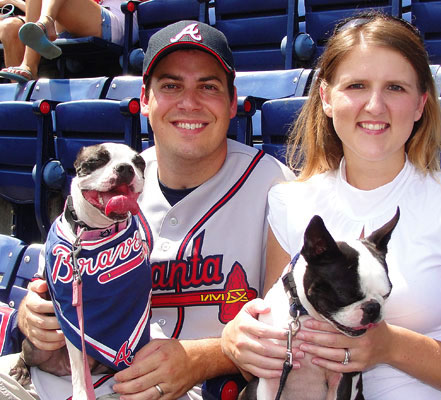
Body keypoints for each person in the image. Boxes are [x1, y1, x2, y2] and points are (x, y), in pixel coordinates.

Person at [221, 11, 441, 399]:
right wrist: (239, 342)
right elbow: (280, 332)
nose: (375, 106)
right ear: (326, 98)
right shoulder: (289, 201)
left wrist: (391, 347)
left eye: (395, 88)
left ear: (420, 104)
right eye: (357, 85)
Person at [0, 20, 293, 399]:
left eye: (208, 86)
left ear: (233, 101)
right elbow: (51, 288)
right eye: (171, 86)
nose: (189, 102)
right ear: (145, 99)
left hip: (201, 388)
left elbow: (288, 330)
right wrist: (32, 316)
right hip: (80, 377)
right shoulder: (106, 182)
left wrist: (204, 357)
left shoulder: (277, 188)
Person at [0, 0, 136, 82]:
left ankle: (29, 65)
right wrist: (16, 3)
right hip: (73, 19)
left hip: (119, 18)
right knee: (9, 28)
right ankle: (21, 102)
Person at [0, 0, 25, 70]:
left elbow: (42, 15)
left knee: (10, 26)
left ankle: (16, 79)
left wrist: (14, 1)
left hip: (25, 23)